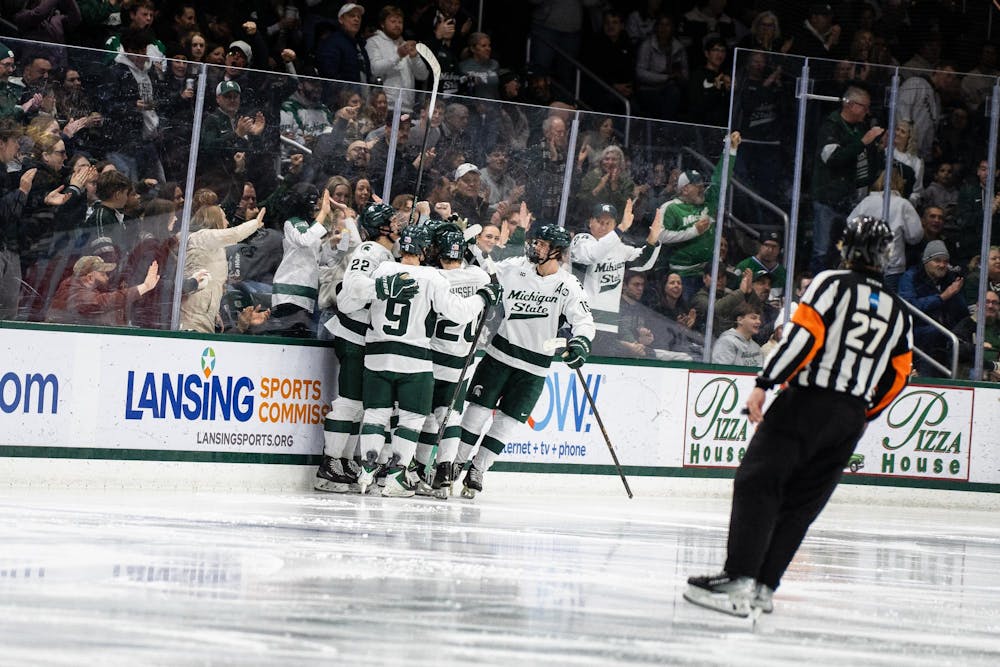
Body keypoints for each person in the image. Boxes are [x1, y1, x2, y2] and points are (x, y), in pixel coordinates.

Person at [684, 216, 913, 617]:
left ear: (846, 247)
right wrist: (861, 412)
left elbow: (805, 338)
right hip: (849, 417)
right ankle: (763, 588)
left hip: (806, 400)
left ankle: (738, 576)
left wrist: (765, 382)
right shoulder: (898, 310)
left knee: (758, 482)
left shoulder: (831, 283)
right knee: (802, 504)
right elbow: (898, 375)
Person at [447, 224, 596, 498]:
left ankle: (479, 468)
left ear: (557, 252)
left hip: (534, 368)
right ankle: (455, 463)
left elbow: (584, 321)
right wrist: (469, 244)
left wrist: (580, 344)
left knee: (508, 422)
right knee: (477, 413)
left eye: (542, 243)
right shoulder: (516, 267)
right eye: (535, 242)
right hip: (499, 357)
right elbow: (487, 270)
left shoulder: (568, 285)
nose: (534, 247)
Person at [354, 225, 499, 496]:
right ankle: (400, 477)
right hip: (417, 360)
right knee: (415, 419)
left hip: (376, 356)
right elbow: (459, 311)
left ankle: (367, 473)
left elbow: (355, 294)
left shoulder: (384, 269)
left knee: (376, 414)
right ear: (424, 250)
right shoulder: (437, 277)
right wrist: (482, 297)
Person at [315, 202, 410, 493]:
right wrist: (382, 291)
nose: (398, 225)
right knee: (350, 403)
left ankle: (344, 461)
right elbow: (352, 290)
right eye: (392, 221)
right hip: (354, 336)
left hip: (366, 338)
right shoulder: (370, 252)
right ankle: (329, 465)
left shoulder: (387, 254)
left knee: (361, 406)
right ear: (382, 226)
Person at [569, 200, 660, 356]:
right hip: (579, 321)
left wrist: (653, 239)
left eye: (608, 223)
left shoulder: (619, 248)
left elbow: (643, 263)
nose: (603, 226)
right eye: (599, 221)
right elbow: (593, 254)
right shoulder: (581, 241)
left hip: (608, 323)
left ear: (613, 225)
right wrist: (620, 229)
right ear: (590, 222)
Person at [657, 131, 741, 301]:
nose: (702, 188)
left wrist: (730, 151)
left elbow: (720, 180)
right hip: (683, 275)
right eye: (697, 185)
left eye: (702, 184)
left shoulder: (707, 203)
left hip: (708, 274)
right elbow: (661, 236)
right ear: (685, 189)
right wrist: (693, 231)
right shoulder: (671, 208)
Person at [810, 86, 884, 275]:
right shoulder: (831, 127)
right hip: (828, 199)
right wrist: (863, 142)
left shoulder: (859, 127)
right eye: (864, 107)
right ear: (849, 104)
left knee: (846, 250)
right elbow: (832, 158)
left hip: (851, 200)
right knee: (822, 249)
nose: (867, 112)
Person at [179, 204, 266, 333]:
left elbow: (215, 284)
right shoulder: (202, 237)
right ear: (214, 220)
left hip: (206, 314)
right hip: (193, 316)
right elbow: (233, 234)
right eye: (224, 218)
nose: (227, 222)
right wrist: (254, 224)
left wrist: (215, 314)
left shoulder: (216, 246)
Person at [898, 240, 967, 376]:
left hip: (945, 333)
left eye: (945, 261)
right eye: (937, 260)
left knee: (962, 341)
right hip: (916, 331)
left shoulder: (949, 280)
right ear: (926, 261)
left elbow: (962, 312)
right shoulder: (911, 277)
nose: (942, 265)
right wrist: (942, 297)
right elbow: (908, 307)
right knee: (935, 334)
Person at [847, 169, 923, 292]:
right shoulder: (903, 204)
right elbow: (915, 235)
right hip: (892, 266)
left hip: (866, 263)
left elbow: (851, 226)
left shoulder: (866, 202)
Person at [46, 255, 159, 326]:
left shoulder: (82, 289)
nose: (107, 277)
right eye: (102, 274)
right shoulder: (73, 293)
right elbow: (102, 302)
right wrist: (144, 287)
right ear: (90, 277)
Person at [366, 5, 428, 114]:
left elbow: (423, 76)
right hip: (383, 107)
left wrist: (415, 57)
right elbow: (375, 70)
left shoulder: (405, 44)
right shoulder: (373, 41)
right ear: (382, 24)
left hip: (407, 108)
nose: (397, 25)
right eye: (393, 21)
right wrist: (398, 56)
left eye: (400, 22)